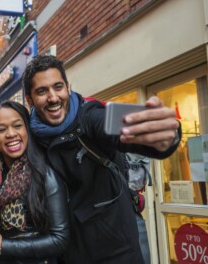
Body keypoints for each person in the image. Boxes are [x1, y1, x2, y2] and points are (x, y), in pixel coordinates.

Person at [22, 55, 181, 264]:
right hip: (70, 253)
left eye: (58, 87)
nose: (53, 97)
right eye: (42, 91)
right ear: (30, 99)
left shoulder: (90, 116)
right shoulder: (30, 137)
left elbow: (120, 130)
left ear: (68, 88)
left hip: (116, 249)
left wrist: (165, 140)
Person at [0, 101, 69, 264]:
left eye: (17, 126)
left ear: (27, 130)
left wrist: (1, 246)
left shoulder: (45, 175)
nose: (11, 133)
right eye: (1, 129)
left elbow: (59, 240)